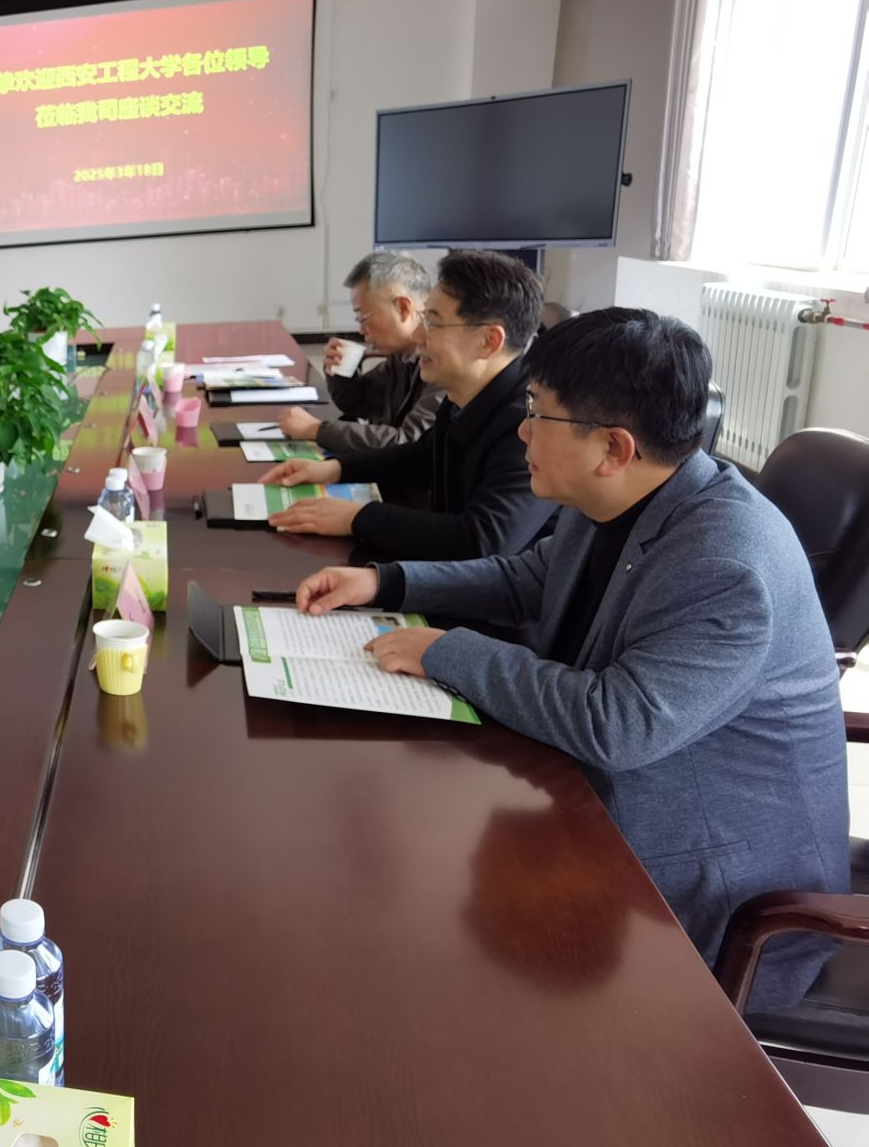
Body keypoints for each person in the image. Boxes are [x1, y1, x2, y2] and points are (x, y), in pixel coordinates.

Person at [293, 308, 846, 1011]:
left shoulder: (727, 563)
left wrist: (446, 650)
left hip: (712, 906)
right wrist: (388, 583)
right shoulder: (625, 492)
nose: (522, 431)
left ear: (613, 446)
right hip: (598, 813)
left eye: (537, 414)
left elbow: (618, 725)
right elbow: (529, 577)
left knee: (430, 955)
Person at [257, 249, 553, 560]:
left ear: (488, 341)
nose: (418, 334)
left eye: (433, 323)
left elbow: (481, 539)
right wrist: (333, 469)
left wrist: (357, 517)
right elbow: (419, 457)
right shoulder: (464, 394)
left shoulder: (533, 423)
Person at [278, 251, 443, 452]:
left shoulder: (444, 364)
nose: (362, 330)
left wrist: (315, 429)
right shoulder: (402, 358)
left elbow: (408, 442)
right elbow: (359, 403)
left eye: (364, 319)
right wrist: (341, 371)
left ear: (403, 308)